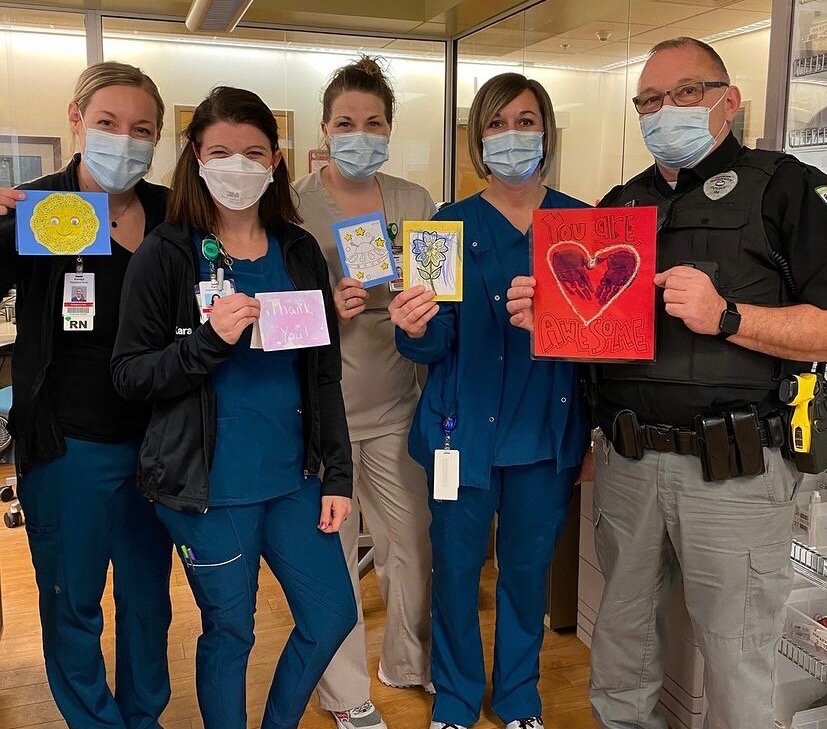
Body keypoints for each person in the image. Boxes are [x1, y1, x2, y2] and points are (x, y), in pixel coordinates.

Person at [506, 37, 827, 729]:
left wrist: (728, 316)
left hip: (734, 472)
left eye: (685, 92)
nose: (664, 110)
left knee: (736, 658)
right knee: (618, 648)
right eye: (649, 100)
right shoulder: (620, 206)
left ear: (727, 100)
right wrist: (548, 318)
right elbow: (589, 340)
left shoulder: (785, 188)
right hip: (627, 462)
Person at [111, 85, 358, 729]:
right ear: (194, 156)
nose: (237, 166)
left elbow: (323, 374)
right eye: (220, 152)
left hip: (294, 480)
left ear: (275, 162)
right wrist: (206, 344)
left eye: (253, 152)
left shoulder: (298, 251)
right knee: (230, 631)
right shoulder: (167, 254)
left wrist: (338, 474)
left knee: (331, 613)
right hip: (206, 489)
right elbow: (131, 375)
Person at [389, 72, 590, 729]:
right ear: (478, 138)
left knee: (526, 574)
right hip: (459, 434)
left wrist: (587, 435)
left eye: (525, 121)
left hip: (543, 435)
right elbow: (429, 346)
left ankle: (517, 697)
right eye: (497, 124)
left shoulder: (581, 225)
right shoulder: (440, 227)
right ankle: (453, 696)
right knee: (453, 570)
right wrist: (413, 326)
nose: (512, 136)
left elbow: (600, 343)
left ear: (545, 131)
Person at [0, 62, 172, 729]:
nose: (124, 140)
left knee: (147, 598)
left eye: (142, 129)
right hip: (68, 444)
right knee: (72, 599)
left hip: (158, 447)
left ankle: (143, 715)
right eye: (107, 123)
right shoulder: (40, 209)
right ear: (76, 119)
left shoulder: (171, 216)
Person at [292, 56, 435, 729]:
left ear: (389, 130)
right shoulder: (291, 205)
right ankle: (346, 692)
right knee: (332, 560)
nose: (359, 132)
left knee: (410, 543)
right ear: (325, 127)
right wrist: (327, 305)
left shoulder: (414, 202)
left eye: (372, 122)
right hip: (319, 418)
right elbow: (268, 308)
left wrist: (426, 304)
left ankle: (408, 660)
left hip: (397, 405)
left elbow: (445, 298)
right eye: (345, 122)